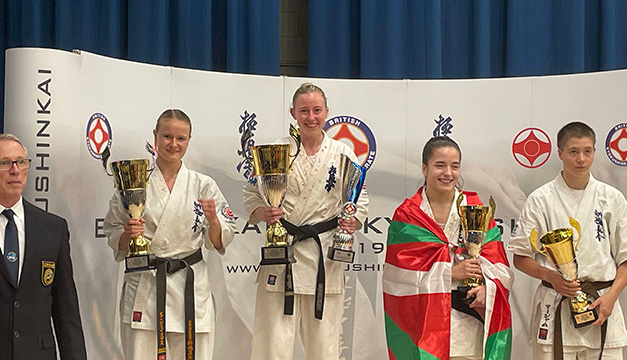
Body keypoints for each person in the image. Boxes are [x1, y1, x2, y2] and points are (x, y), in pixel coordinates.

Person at [243, 82, 369, 360]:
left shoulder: (342, 153)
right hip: (282, 252)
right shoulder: (276, 150)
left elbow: (360, 199)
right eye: (304, 111)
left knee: (324, 345)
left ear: (326, 112)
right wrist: (262, 213)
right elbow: (251, 193)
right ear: (293, 113)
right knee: (272, 343)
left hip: (324, 255)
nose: (311, 117)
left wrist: (353, 219)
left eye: (316, 110)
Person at [104, 109, 236, 360]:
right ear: (155, 136)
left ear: (188, 140)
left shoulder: (203, 184)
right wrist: (127, 236)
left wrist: (213, 221)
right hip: (147, 284)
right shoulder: (134, 182)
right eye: (167, 136)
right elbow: (113, 231)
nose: (173, 144)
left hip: (190, 288)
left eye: (181, 138)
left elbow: (218, 241)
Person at [508, 121, 627, 360]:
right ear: (560, 153)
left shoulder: (611, 198)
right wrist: (551, 277)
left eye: (587, 151)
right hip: (556, 304)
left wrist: (611, 296)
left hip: (602, 304)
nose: (581, 159)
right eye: (573, 152)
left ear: (594, 153)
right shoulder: (540, 199)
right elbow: (521, 257)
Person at [383, 136, 512, 360]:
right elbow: (397, 276)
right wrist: (449, 273)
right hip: (424, 326)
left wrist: (487, 290)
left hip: (469, 324)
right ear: (424, 168)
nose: (448, 173)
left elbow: (500, 266)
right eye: (440, 165)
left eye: (454, 166)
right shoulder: (407, 215)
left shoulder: (476, 210)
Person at [0, 134, 87, 360]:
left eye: (21, 162)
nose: (15, 170)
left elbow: (65, 309)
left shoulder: (53, 228)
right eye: (4, 163)